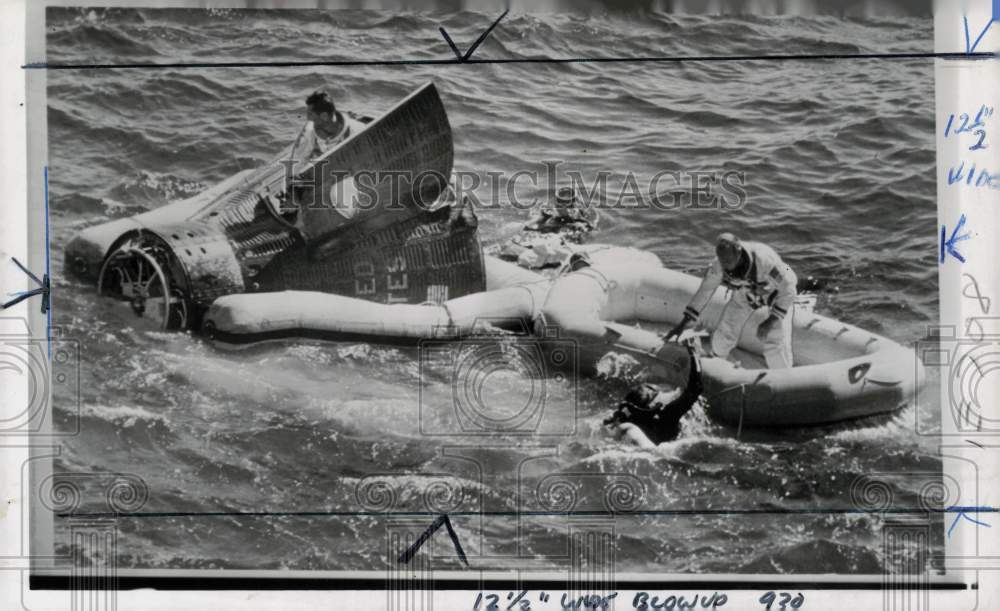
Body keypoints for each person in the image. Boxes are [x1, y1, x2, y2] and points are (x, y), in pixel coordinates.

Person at [666, 233, 797, 369]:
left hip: (776, 292)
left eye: (728, 261)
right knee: (725, 332)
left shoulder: (765, 259)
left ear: (738, 252)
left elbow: (789, 289)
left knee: (774, 338)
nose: (725, 266)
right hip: (747, 292)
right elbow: (705, 291)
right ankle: (717, 366)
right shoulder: (720, 264)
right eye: (722, 261)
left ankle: (783, 378)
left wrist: (771, 320)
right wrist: (682, 324)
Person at [297, 89, 349, 160]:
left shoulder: (354, 130)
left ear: (324, 116)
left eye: (310, 114)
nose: (308, 118)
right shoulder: (309, 134)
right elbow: (299, 162)